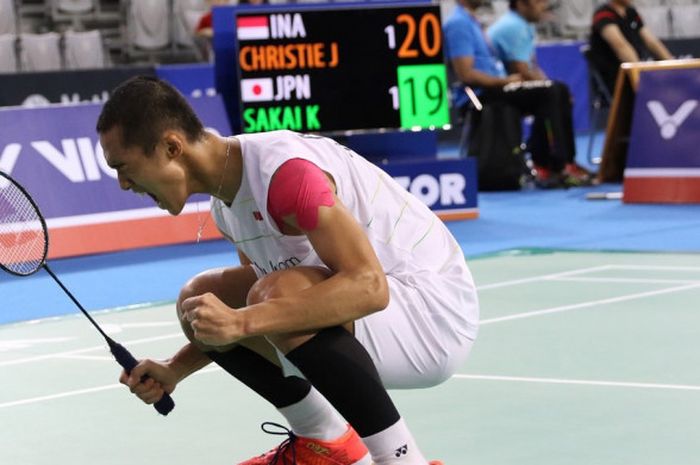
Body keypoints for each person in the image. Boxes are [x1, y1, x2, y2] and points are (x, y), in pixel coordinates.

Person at [96, 76, 477, 465]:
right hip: (385, 316)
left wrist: (243, 321)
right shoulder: (227, 206)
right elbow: (248, 318)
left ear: (171, 147)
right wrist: (176, 368)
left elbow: (368, 286)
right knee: (200, 302)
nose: (123, 184)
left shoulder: (286, 175)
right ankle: (324, 444)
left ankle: (402, 460)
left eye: (124, 168)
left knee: (272, 296)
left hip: (431, 313)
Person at [444, 0, 591, 188]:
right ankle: (556, 165)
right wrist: (504, 81)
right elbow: (465, 73)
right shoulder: (458, 24)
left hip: (497, 88)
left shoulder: (472, 21)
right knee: (551, 91)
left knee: (556, 89)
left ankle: (558, 162)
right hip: (483, 94)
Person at [589, 0, 673, 96]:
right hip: (616, 77)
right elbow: (621, 47)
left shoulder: (631, 13)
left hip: (634, 72)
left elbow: (652, 42)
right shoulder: (603, 14)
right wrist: (639, 77)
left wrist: (673, 65)